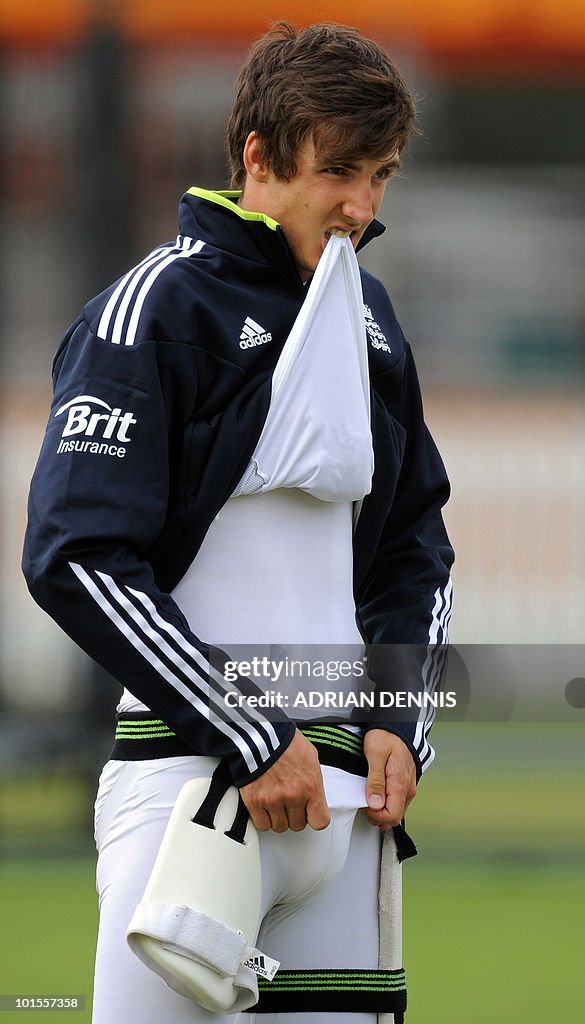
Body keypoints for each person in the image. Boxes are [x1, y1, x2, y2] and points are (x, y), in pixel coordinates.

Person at [22, 21, 454, 1024]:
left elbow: (415, 545)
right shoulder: (152, 309)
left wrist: (398, 718)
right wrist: (249, 730)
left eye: (382, 175)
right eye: (339, 170)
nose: (361, 206)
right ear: (259, 157)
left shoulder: (374, 319)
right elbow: (77, 557)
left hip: (348, 809)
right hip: (190, 788)